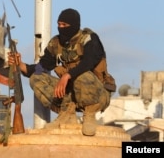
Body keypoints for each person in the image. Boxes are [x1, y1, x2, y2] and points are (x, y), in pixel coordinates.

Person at [8, 8, 116, 136]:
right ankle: (67, 113)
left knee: (82, 75)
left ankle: (89, 115)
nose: (61, 28)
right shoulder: (56, 44)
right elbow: (41, 67)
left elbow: (89, 62)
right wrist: (20, 64)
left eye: (64, 25)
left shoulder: (89, 39)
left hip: (98, 95)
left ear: (74, 25)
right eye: (59, 24)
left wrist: (67, 75)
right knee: (36, 78)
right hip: (71, 95)